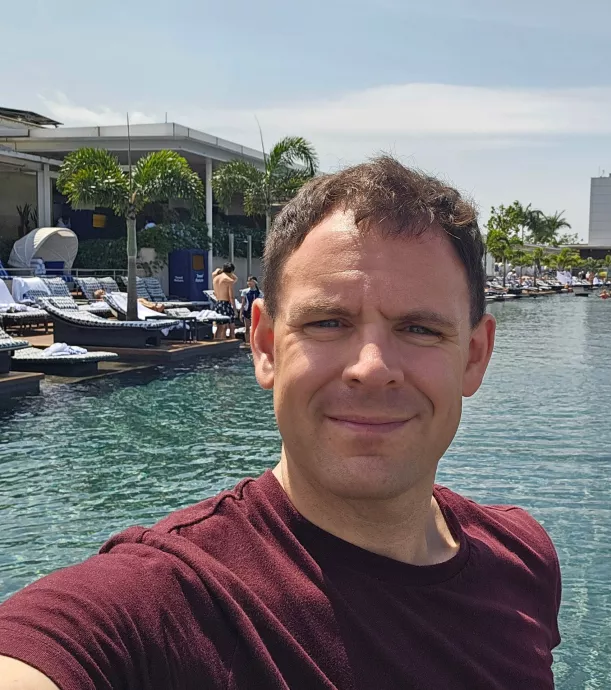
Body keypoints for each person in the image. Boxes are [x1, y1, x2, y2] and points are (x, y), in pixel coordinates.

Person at [0, 156, 561, 689]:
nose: (371, 369)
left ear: (474, 355)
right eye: (327, 322)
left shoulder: (522, 557)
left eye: (419, 329)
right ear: (265, 344)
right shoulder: (168, 601)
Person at [212, 262, 238, 340]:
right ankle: (224, 343)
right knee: (225, 327)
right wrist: (235, 309)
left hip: (218, 303)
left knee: (219, 326)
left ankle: (215, 343)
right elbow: (231, 297)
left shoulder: (215, 277)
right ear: (231, 271)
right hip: (225, 303)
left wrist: (221, 270)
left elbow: (214, 272)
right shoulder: (228, 280)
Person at [240, 275, 261, 345]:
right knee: (247, 328)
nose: (249, 282)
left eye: (251, 281)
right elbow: (243, 304)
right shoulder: (245, 291)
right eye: (248, 281)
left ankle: (255, 343)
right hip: (247, 312)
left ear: (255, 283)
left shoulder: (259, 293)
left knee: (256, 329)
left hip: (256, 313)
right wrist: (241, 313)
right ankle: (247, 342)